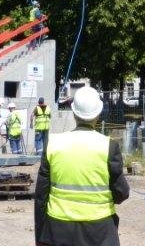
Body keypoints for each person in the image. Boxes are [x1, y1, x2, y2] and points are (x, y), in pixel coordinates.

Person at [35, 86, 129, 246]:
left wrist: (40, 236)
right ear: (98, 114)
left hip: (58, 230)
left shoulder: (53, 144)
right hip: (100, 232)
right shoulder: (109, 146)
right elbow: (121, 193)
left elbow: (41, 197)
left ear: (74, 113)